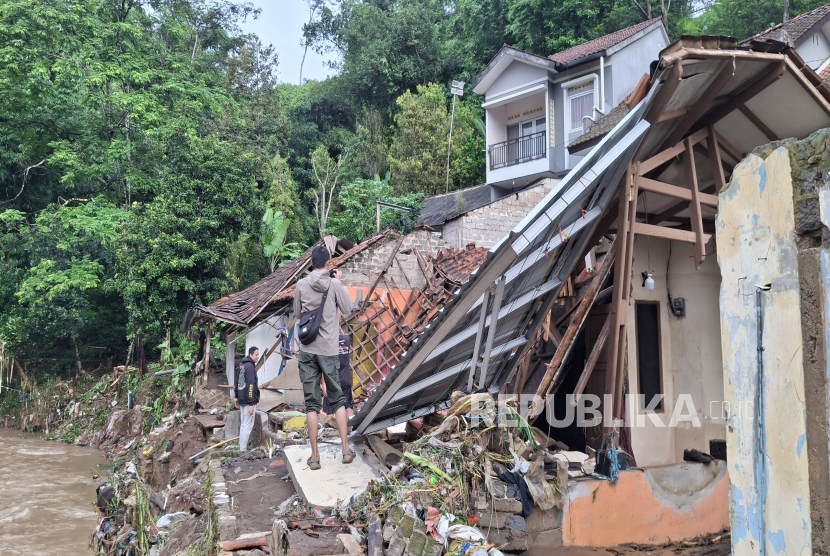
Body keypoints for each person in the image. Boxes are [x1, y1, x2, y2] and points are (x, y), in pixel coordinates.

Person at [294, 245, 353, 470]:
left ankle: (315, 456)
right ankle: (345, 451)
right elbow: (347, 308)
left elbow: (299, 314)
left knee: (311, 404)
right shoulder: (334, 283)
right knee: (337, 399)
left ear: (311, 262)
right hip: (328, 350)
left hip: (308, 349)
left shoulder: (301, 284)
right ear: (328, 262)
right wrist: (338, 283)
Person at [322, 335, 355, 418]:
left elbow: (324, 365)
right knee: (348, 405)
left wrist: (324, 383)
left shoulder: (327, 342)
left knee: (330, 407)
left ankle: (331, 428)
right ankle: (351, 428)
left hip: (332, 379)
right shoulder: (346, 339)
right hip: (346, 378)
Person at [234, 346, 260, 451]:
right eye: (256, 355)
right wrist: (251, 403)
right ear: (250, 355)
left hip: (242, 399)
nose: (258, 357)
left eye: (258, 354)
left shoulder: (242, 365)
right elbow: (251, 385)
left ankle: (241, 448)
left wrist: (236, 397)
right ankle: (243, 450)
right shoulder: (250, 367)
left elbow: (236, 382)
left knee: (244, 424)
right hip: (248, 401)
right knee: (247, 426)